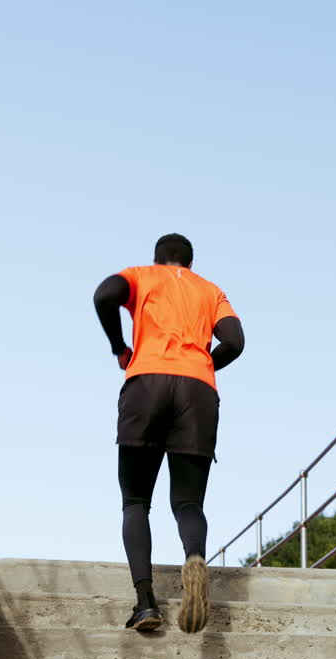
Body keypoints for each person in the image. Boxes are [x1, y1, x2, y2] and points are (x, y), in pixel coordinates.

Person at [93, 233, 245, 633]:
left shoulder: (142, 276)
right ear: (190, 264)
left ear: (158, 258)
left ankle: (146, 603)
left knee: (135, 501)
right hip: (198, 393)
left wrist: (119, 347)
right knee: (188, 503)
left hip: (146, 383)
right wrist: (202, 365)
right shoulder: (210, 291)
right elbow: (235, 341)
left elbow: (105, 295)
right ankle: (194, 559)